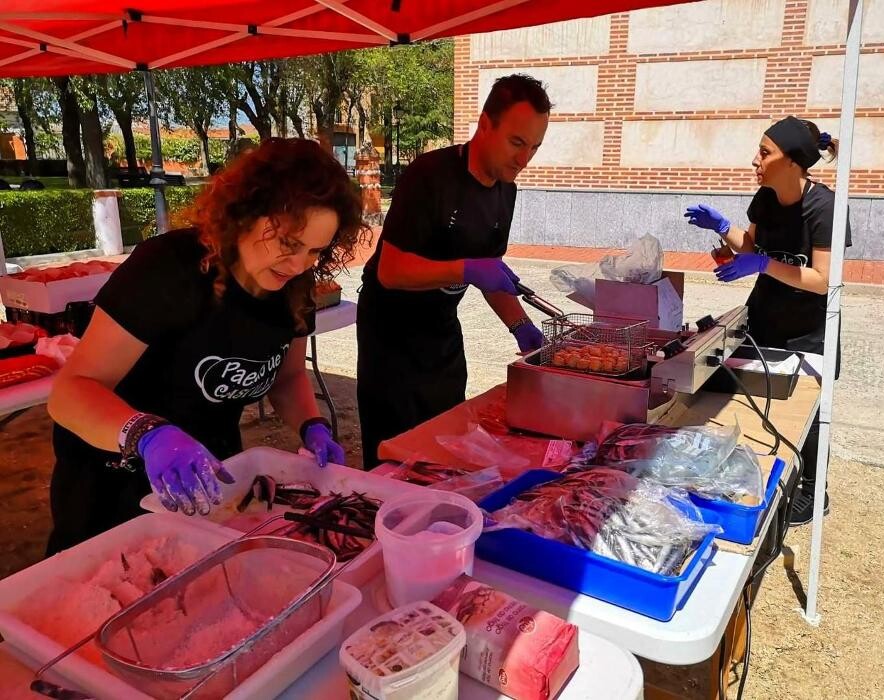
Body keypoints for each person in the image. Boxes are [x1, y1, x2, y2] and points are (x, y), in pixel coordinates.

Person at [46, 138, 363, 554]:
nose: (300, 264)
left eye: (315, 251)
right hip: (111, 481)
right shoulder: (168, 268)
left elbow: (286, 377)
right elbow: (70, 393)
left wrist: (311, 425)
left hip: (210, 478)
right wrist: (147, 435)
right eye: (288, 244)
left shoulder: (295, 290)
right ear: (246, 215)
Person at [356, 74, 551, 470]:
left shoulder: (504, 192)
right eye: (517, 142)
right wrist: (465, 268)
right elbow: (390, 271)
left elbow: (491, 273)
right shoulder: (429, 175)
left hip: (442, 331)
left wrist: (522, 328)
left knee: (445, 443)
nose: (524, 159)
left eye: (534, 147)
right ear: (485, 124)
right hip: (391, 335)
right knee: (395, 452)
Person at [685, 116, 851, 527]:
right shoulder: (764, 198)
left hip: (810, 330)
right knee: (736, 391)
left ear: (794, 161)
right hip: (763, 320)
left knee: (809, 415)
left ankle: (813, 493)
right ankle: (742, 471)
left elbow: (821, 279)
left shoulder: (825, 206)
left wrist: (762, 263)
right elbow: (752, 244)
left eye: (764, 152)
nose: (754, 160)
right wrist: (725, 229)